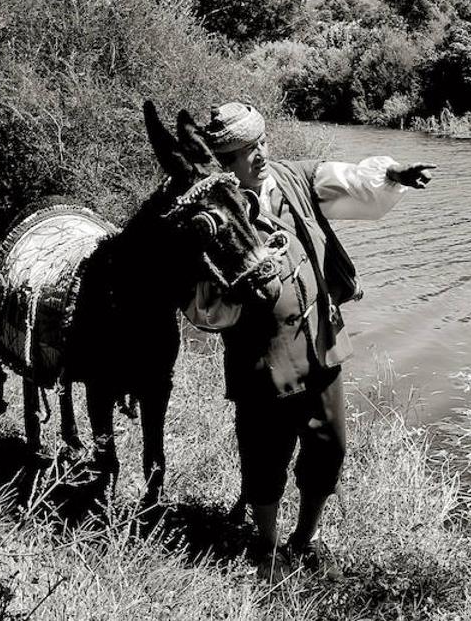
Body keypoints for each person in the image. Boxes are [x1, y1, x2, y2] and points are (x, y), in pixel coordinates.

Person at [183, 101, 434, 580]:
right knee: (264, 458)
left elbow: (350, 180)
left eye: (260, 144)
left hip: (323, 347)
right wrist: (243, 287)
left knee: (329, 448)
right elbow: (202, 307)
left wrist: (394, 174)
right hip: (262, 362)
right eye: (244, 151)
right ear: (225, 161)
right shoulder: (213, 214)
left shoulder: (293, 179)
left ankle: (304, 538)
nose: (258, 155)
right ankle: (268, 545)